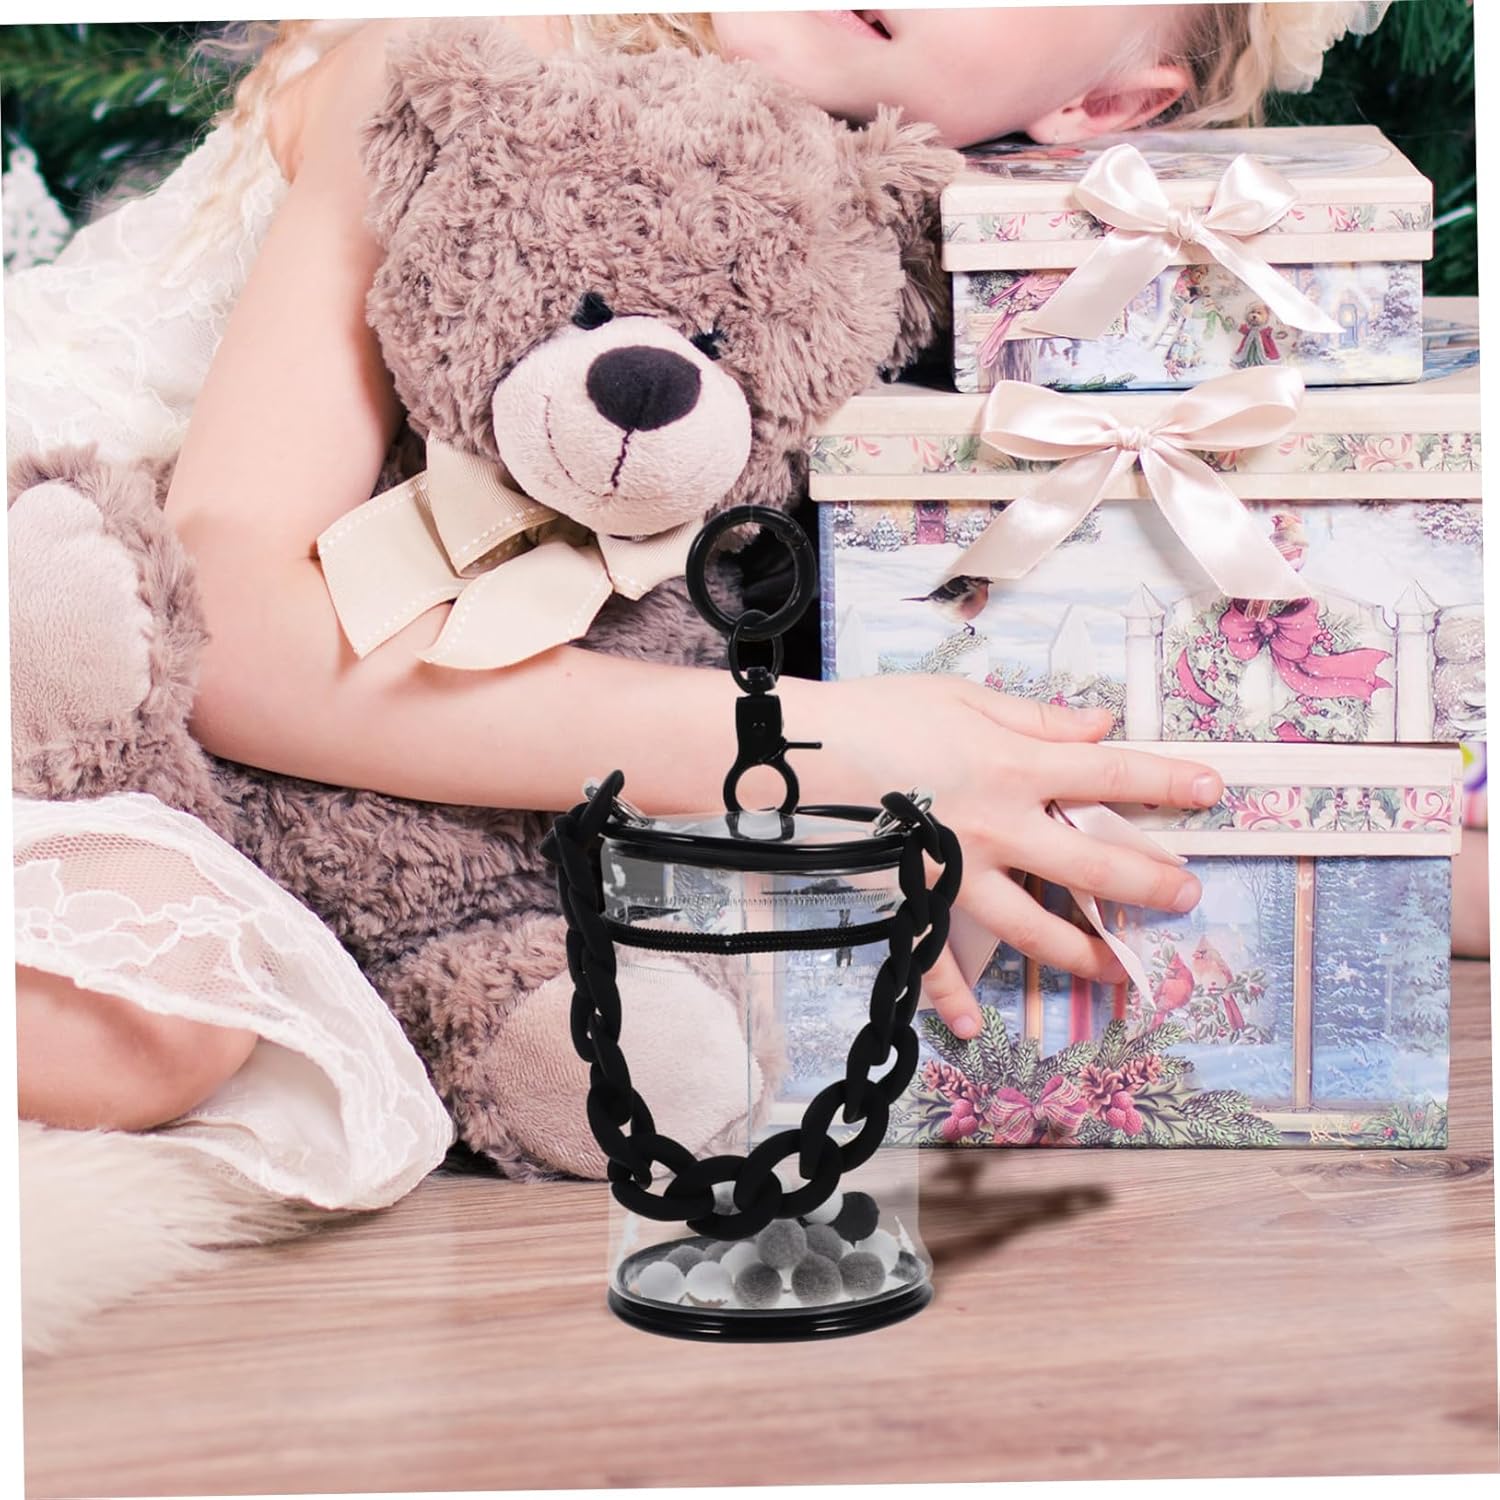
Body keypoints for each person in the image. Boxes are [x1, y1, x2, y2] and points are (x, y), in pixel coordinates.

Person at [11, 7, 1399, 1154]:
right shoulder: (489, 67)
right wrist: (832, 753)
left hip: (321, 792)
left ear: (1101, 108)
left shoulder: (954, 255)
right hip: (73, 628)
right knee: (161, 1011)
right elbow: (229, 632)